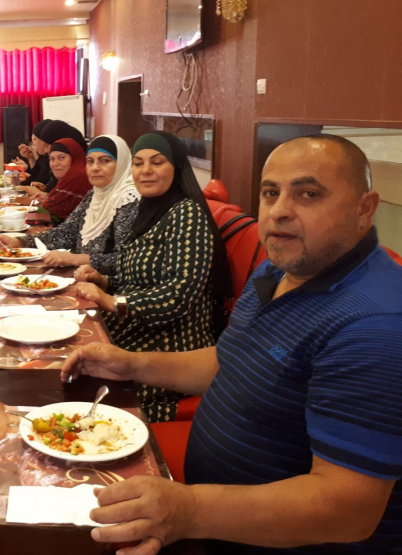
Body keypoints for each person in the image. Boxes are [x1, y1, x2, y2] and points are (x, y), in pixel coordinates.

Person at [61, 135, 402, 555]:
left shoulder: (376, 325)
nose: (280, 211)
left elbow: (348, 510)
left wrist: (188, 511)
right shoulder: (279, 271)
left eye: (308, 194)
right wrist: (130, 364)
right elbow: (228, 362)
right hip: (211, 518)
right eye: (270, 193)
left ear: (365, 208)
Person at [69, 132, 231, 422]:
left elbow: (180, 294)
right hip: (135, 328)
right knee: (67, 354)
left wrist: (114, 301)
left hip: (173, 343)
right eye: (138, 163)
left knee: (84, 389)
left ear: (176, 168)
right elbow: (137, 277)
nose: (145, 170)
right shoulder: (147, 210)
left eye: (157, 162)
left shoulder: (187, 213)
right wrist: (104, 281)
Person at [0, 135, 140, 274]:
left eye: (105, 161)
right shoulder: (94, 194)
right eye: (90, 161)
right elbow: (67, 232)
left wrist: (75, 259)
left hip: (108, 287)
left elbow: (127, 260)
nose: (95, 167)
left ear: (122, 163)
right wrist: (19, 242)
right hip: (83, 277)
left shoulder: (129, 200)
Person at [23, 120, 87, 195]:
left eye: (47, 145)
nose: (46, 150)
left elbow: (63, 199)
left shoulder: (80, 175)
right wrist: (45, 189)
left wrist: (44, 194)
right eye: (52, 159)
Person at [35, 138, 93, 221]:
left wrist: (48, 202)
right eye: (52, 159)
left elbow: (47, 211)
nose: (55, 163)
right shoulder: (70, 175)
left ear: (74, 157)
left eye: (61, 157)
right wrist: (49, 198)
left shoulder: (77, 175)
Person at [15, 119, 53, 188]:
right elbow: (36, 174)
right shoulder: (43, 156)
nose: (33, 144)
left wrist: (22, 182)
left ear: (44, 140)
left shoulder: (51, 158)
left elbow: (39, 182)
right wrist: (30, 158)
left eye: (35, 140)